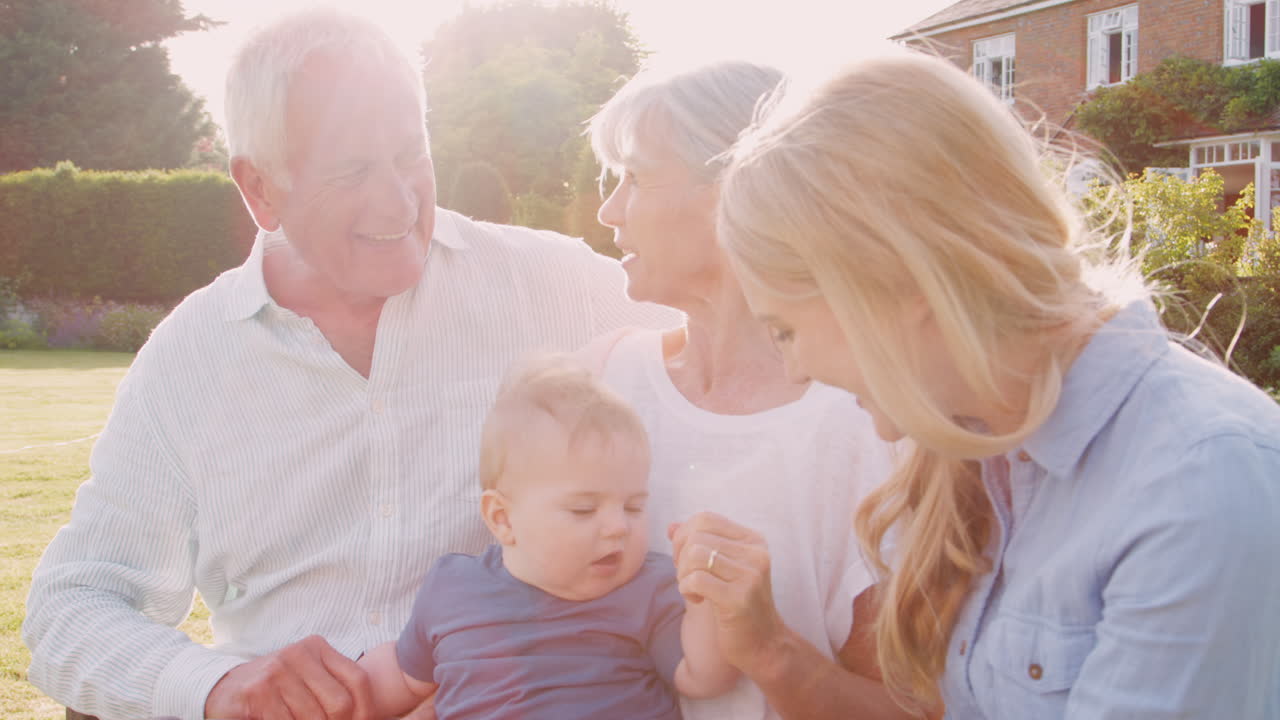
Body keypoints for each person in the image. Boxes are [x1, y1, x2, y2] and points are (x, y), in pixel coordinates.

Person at [22, 8, 675, 720]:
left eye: (410, 155)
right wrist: (217, 687)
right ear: (261, 189)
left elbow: (732, 345)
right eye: (353, 169)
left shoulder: (548, 285)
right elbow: (73, 604)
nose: (397, 200)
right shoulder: (193, 358)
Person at [717, 51, 1280, 718]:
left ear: (897, 284)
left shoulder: (1197, 481)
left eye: (784, 330)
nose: (794, 370)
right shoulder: (983, 447)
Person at [583, 61, 908, 720]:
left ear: (739, 186)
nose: (608, 210)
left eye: (636, 177)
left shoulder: (869, 424)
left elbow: (908, 709)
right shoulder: (600, 380)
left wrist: (770, 649)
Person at [358, 355, 737, 718]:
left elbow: (704, 678)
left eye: (634, 506)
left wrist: (702, 600)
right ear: (502, 518)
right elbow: (403, 677)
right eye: (584, 510)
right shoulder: (452, 588)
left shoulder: (648, 588)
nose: (619, 526)